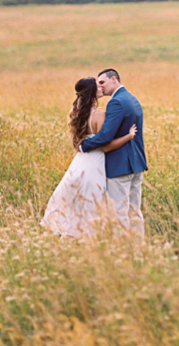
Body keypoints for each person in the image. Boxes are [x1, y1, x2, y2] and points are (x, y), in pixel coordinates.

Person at [40, 77, 137, 237]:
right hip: (94, 164)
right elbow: (106, 145)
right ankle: (87, 237)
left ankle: (71, 234)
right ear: (92, 92)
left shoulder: (75, 114)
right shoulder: (100, 115)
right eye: (97, 86)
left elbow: (76, 144)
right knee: (92, 203)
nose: (101, 88)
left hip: (78, 163)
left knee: (74, 202)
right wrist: (128, 136)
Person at [79, 68, 148, 238]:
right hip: (136, 164)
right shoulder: (132, 98)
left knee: (118, 213)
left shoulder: (116, 102)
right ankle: (138, 250)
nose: (100, 87)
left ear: (114, 80)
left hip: (120, 166)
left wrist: (84, 146)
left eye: (102, 82)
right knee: (134, 212)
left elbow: (106, 136)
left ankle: (123, 251)